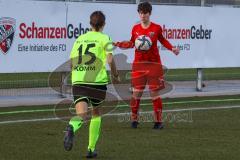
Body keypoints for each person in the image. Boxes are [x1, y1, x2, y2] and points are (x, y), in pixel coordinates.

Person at [114, 1, 179, 129]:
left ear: (150, 14)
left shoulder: (156, 28)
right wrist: (119, 44)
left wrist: (172, 48)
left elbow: (163, 40)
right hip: (139, 66)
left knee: (154, 94)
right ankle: (134, 120)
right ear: (139, 14)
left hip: (154, 65)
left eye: (145, 13)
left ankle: (158, 122)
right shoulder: (135, 28)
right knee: (136, 94)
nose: (143, 16)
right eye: (141, 13)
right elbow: (132, 43)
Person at [63, 11, 119, 158]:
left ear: (90, 24)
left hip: (79, 80)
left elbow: (71, 63)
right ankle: (90, 148)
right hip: (97, 82)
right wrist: (115, 75)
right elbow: (110, 60)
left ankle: (71, 126)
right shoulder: (105, 38)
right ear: (104, 24)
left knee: (81, 115)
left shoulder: (80, 39)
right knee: (96, 114)